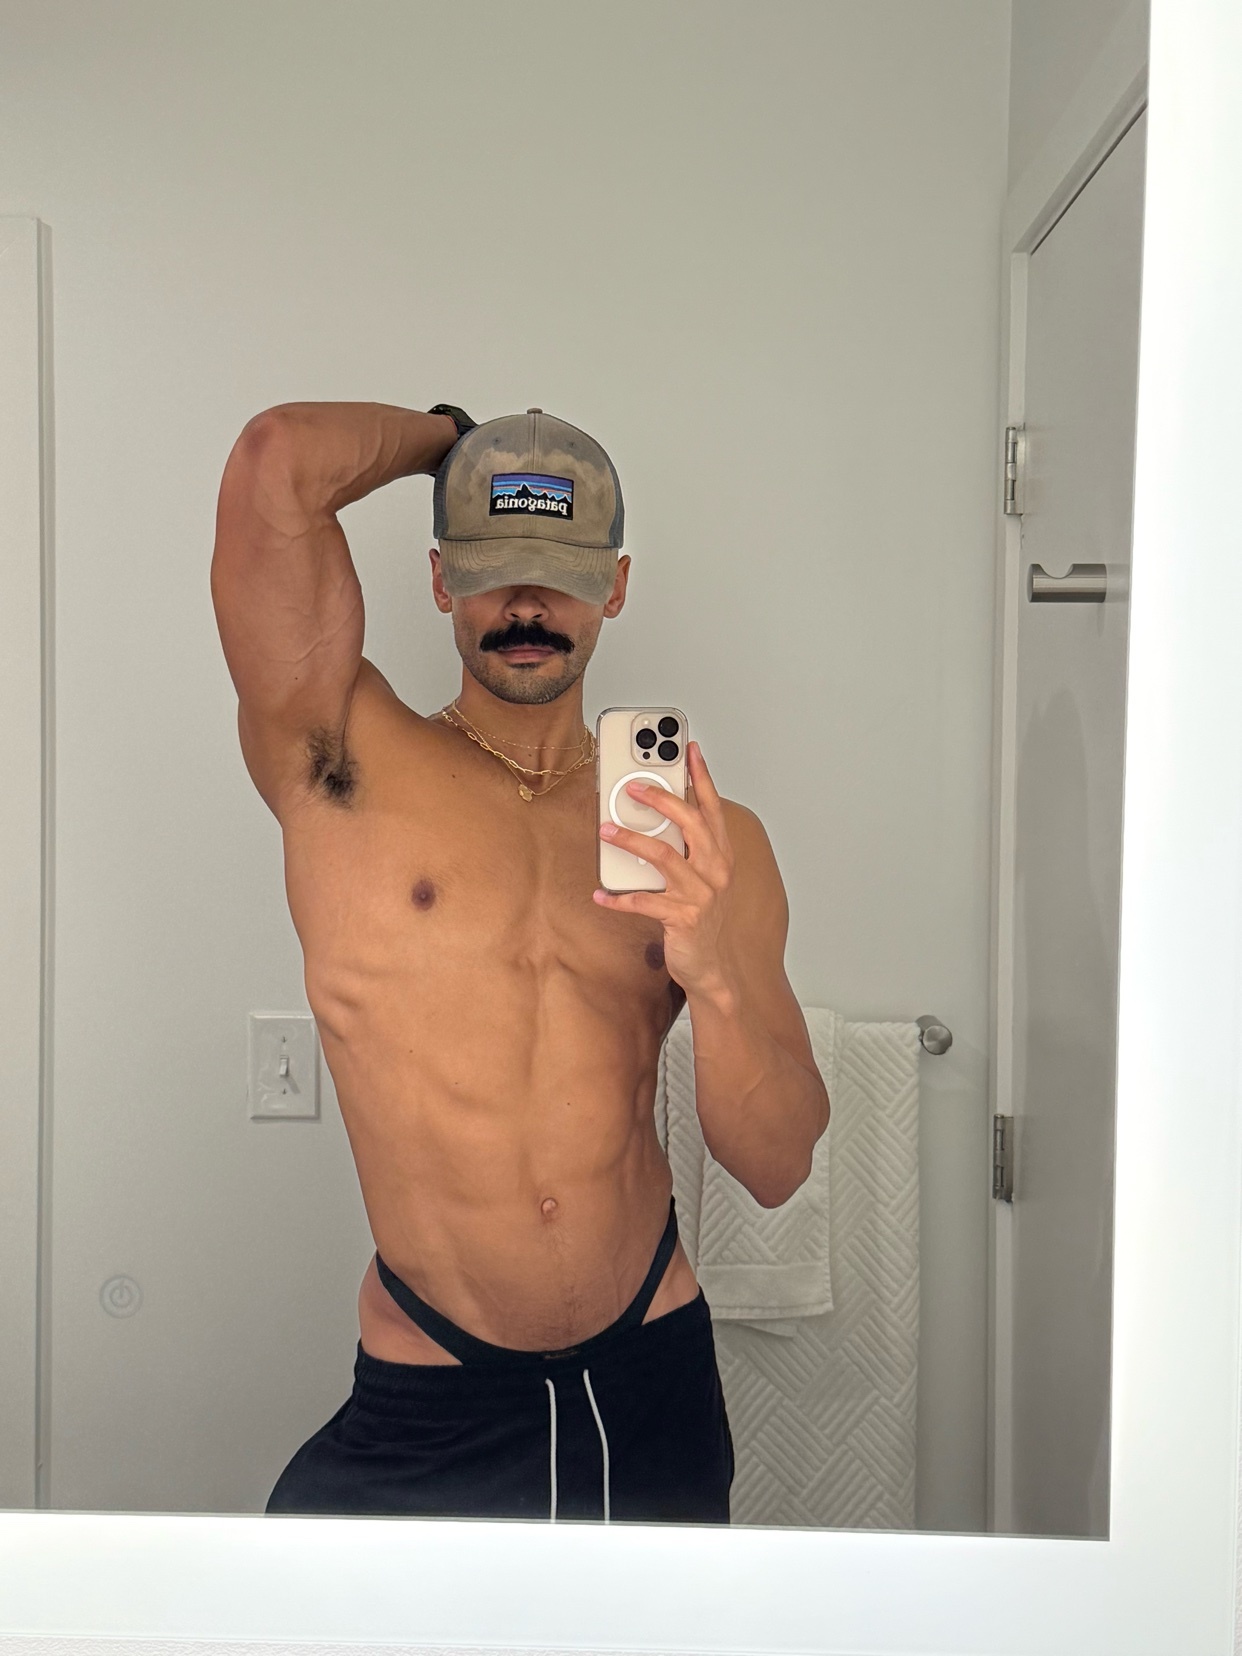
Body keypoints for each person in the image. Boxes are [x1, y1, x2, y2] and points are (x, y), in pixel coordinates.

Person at [210, 400, 830, 1524]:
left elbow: (779, 1164)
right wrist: (446, 439)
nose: (528, 607)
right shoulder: (340, 764)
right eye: (495, 572)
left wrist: (714, 974)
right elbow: (276, 463)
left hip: (650, 1372)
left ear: (617, 587)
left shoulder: (699, 840)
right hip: (431, 1388)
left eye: (562, 576)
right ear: (440, 579)